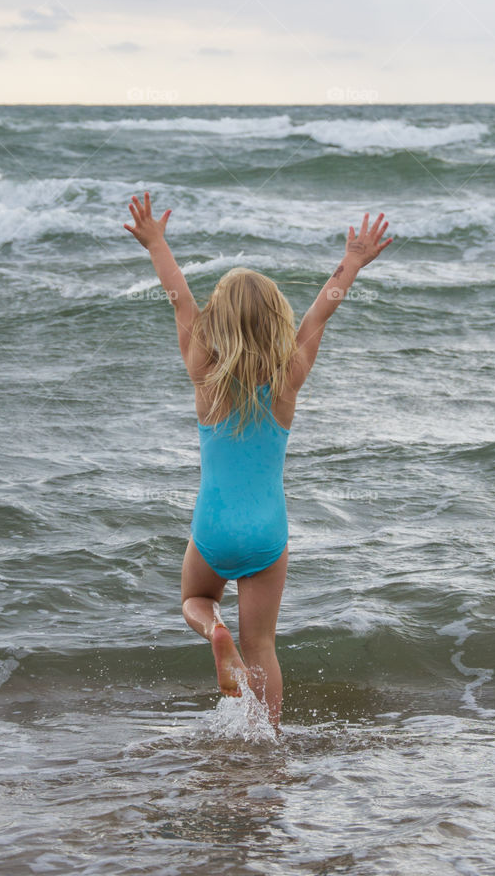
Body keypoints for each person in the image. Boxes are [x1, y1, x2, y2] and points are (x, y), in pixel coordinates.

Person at [124, 191, 392, 732]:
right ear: (277, 322)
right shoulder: (289, 376)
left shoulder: (203, 372)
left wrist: (157, 242)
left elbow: (179, 299)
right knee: (263, 643)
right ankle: (266, 739)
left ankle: (214, 633)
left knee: (196, 598)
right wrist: (354, 262)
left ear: (215, 324)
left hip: (213, 526)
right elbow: (325, 305)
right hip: (267, 531)